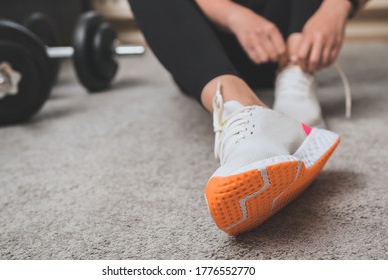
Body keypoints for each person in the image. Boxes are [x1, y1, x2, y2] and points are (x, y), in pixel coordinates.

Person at [127, 0, 368, 235]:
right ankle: (238, 105)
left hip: (292, 33)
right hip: (206, 43)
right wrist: (231, 14)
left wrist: (338, 5)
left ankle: (295, 72)